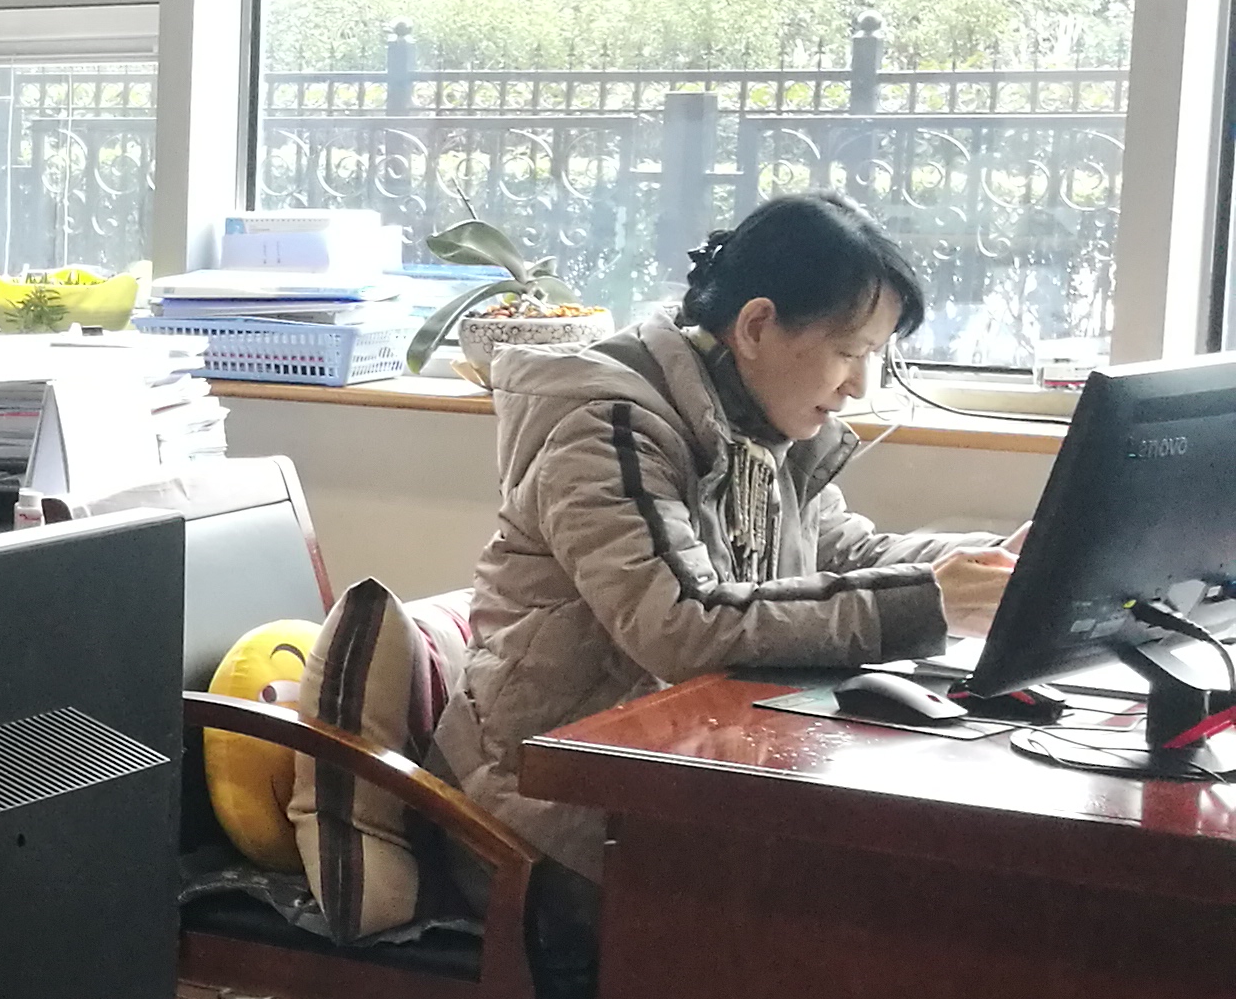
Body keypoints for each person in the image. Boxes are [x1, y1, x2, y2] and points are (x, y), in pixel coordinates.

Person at [429, 193, 1020, 872]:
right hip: (540, 817)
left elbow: (847, 553)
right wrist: (928, 600)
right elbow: (681, 624)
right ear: (757, 326)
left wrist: (996, 563)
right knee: (887, 885)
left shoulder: (758, 423)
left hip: (678, 778)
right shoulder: (607, 430)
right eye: (849, 351)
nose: (859, 385)